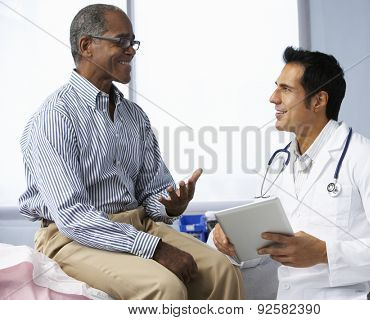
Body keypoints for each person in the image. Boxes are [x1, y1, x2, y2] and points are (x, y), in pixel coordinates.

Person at [18, 4, 243, 300]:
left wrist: (169, 206)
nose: (131, 50)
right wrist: (155, 248)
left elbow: (151, 192)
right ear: (87, 46)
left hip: (139, 225)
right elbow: (73, 216)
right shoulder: (55, 117)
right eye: (121, 41)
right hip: (73, 237)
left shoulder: (134, 116)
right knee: (165, 287)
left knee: (223, 270)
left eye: (132, 42)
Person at [212, 47, 370, 299]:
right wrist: (231, 239)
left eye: (286, 89)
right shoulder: (276, 166)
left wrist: (325, 252)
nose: (273, 98)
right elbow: (264, 246)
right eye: (276, 87)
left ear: (318, 100)